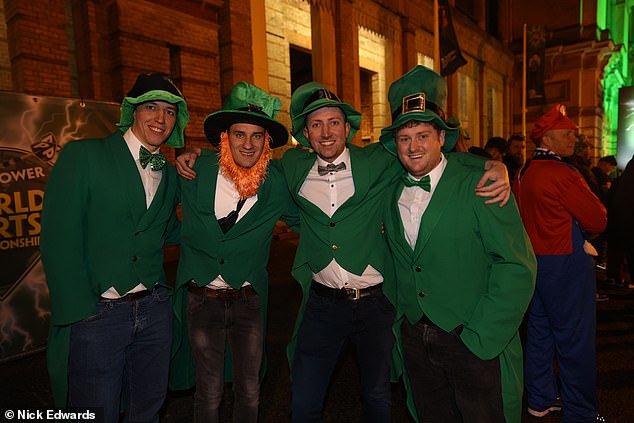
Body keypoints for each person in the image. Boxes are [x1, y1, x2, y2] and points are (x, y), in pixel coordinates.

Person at [176, 82, 511, 423]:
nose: (326, 132)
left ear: (347, 128)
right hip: (322, 304)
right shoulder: (291, 166)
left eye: (334, 122)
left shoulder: (379, 159)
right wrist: (193, 154)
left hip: (375, 304)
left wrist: (493, 166)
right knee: (303, 398)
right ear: (305, 133)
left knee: (377, 395)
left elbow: (430, 156)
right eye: (316, 125)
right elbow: (242, 161)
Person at [380, 65, 536, 423]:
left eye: (422, 135)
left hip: (473, 339)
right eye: (405, 138)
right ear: (395, 145)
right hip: (415, 341)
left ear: (441, 138)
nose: (413, 146)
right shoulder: (390, 193)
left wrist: (482, 334)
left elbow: (517, 265)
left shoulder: (480, 184)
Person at [40, 72, 188, 422]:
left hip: (154, 309)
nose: (161, 119)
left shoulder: (168, 173)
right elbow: (58, 240)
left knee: (148, 405)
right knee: (95, 411)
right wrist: (81, 311)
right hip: (98, 313)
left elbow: (172, 232)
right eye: (151, 107)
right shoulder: (84, 155)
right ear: (133, 111)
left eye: (169, 112)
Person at [170, 82, 299, 423]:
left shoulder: (275, 182)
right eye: (240, 134)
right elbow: (157, 211)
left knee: (250, 389)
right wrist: (185, 153)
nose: (248, 143)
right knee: (208, 392)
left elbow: (307, 221)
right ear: (225, 137)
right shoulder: (195, 171)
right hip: (202, 298)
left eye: (258, 136)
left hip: (249, 299)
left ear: (266, 141)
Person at [514, 104, 607, 422]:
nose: (574, 139)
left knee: (540, 332)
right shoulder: (564, 173)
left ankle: (539, 399)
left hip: (533, 262)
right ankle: (580, 410)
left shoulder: (523, 171)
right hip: (565, 263)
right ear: (549, 139)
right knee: (575, 337)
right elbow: (597, 219)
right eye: (567, 134)